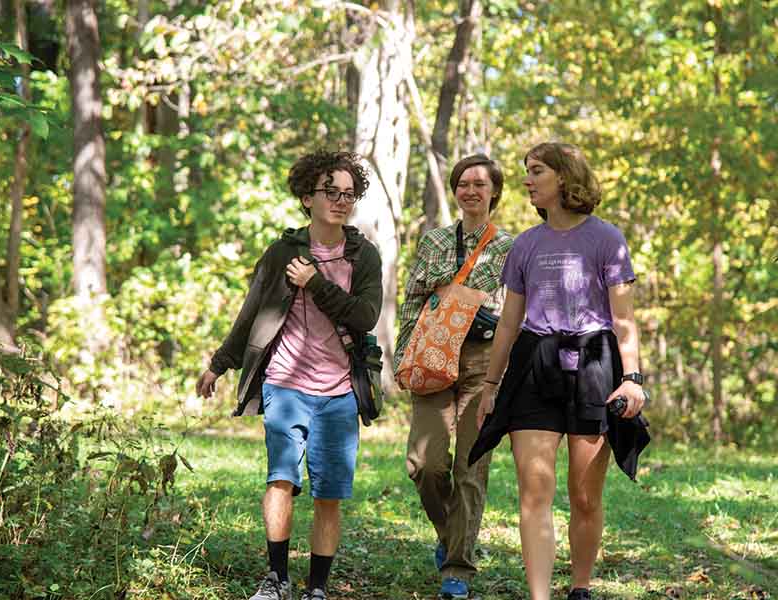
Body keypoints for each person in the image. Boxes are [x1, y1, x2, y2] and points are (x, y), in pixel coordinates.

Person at [196, 150, 383, 600]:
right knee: (280, 477)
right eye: (330, 192)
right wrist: (219, 364)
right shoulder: (283, 251)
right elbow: (251, 315)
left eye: (349, 193)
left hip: (340, 390)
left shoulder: (363, 256)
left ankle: (316, 588)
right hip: (285, 382)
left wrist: (315, 282)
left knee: (329, 494)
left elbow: (366, 316)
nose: (341, 200)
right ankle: (277, 579)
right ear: (306, 197)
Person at [470, 142, 650, 600]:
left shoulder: (606, 239)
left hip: (594, 364)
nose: (528, 180)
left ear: (564, 178)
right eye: (527, 172)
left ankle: (580, 588)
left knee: (585, 495)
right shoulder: (525, 244)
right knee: (535, 490)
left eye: (536, 171)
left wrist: (632, 379)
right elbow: (509, 322)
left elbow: (624, 318)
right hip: (534, 365)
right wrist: (491, 385)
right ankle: (539, 596)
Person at [393, 154, 514, 600]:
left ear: (494, 192)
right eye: (463, 183)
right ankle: (450, 537)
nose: (471, 190)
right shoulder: (434, 241)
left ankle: (457, 569)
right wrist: (405, 354)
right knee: (425, 465)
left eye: (480, 183)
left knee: (470, 468)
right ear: (455, 190)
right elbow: (413, 298)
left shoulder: (510, 247)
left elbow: (515, 310)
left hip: (483, 362)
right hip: (433, 354)